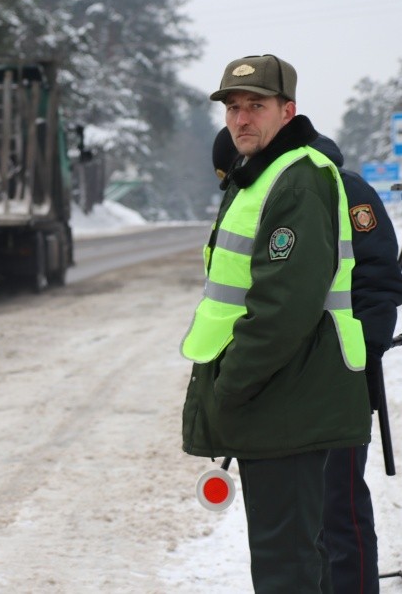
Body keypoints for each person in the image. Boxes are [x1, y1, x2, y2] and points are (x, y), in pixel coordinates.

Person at [181, 54, 373, 592]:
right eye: (234, 108)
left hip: (288, 396)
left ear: (287, 111)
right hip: (277, 396)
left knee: (286, 562)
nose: (242, 120)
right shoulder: (256, 178)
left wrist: (231, 385)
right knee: (285, 555)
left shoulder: (299, 179)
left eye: (256, 106)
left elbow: (283, 307)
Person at [212, 126, 402, 592]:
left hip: (338, 382)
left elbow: (378, 283)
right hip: (283, 388)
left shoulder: (342, 186)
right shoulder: (260, 193)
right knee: (299, 522)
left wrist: (359, 358)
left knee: (338, 506)